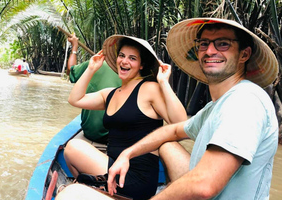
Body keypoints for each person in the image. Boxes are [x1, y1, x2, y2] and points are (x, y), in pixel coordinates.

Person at [102, 18, 280, 199]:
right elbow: (173, 131)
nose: (210, 51)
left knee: (75, 193)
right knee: (167, 144)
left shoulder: (244, 101)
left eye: (223, 44)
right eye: (204, 44)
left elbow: (204, 185)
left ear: (244, 55)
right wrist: (128, 153)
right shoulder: (215, 106)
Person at [61, 35, 187, 200]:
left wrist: (164, 83)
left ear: (141, 65)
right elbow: (75, 99)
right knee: (69, 153)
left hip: (136, 176)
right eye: (122, 56)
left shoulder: (150, 88)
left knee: (74, 146)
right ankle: (101, 189)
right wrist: (91, 68)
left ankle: (97, 189)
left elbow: (181, 123)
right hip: (114, 166)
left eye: (132, 58)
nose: (124, 61)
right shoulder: (110, 94)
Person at [66, 34, 121, 144]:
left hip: (96, 135)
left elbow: (70, 70)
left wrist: (74, 48)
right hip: (111, 138)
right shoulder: (97, 65)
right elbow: (74, 100)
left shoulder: (99, 64)